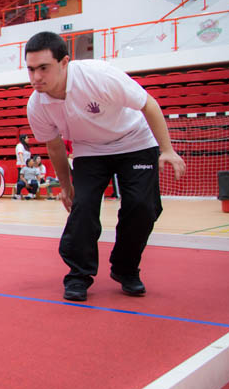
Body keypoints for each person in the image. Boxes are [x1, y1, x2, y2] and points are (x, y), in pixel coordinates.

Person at [24, 31, 186, 302]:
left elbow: (148, 104)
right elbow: (55, 147)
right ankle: (78, 274)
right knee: (83, 207)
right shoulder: (37, 105)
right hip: (90, 149)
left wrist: (167, 149)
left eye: (43, 68)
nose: (36, 77)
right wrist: (66, 186)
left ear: (64, 62)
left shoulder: (98, 76)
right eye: (30, 69)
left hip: (135, 141)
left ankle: (126, 268)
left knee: (142, 207)